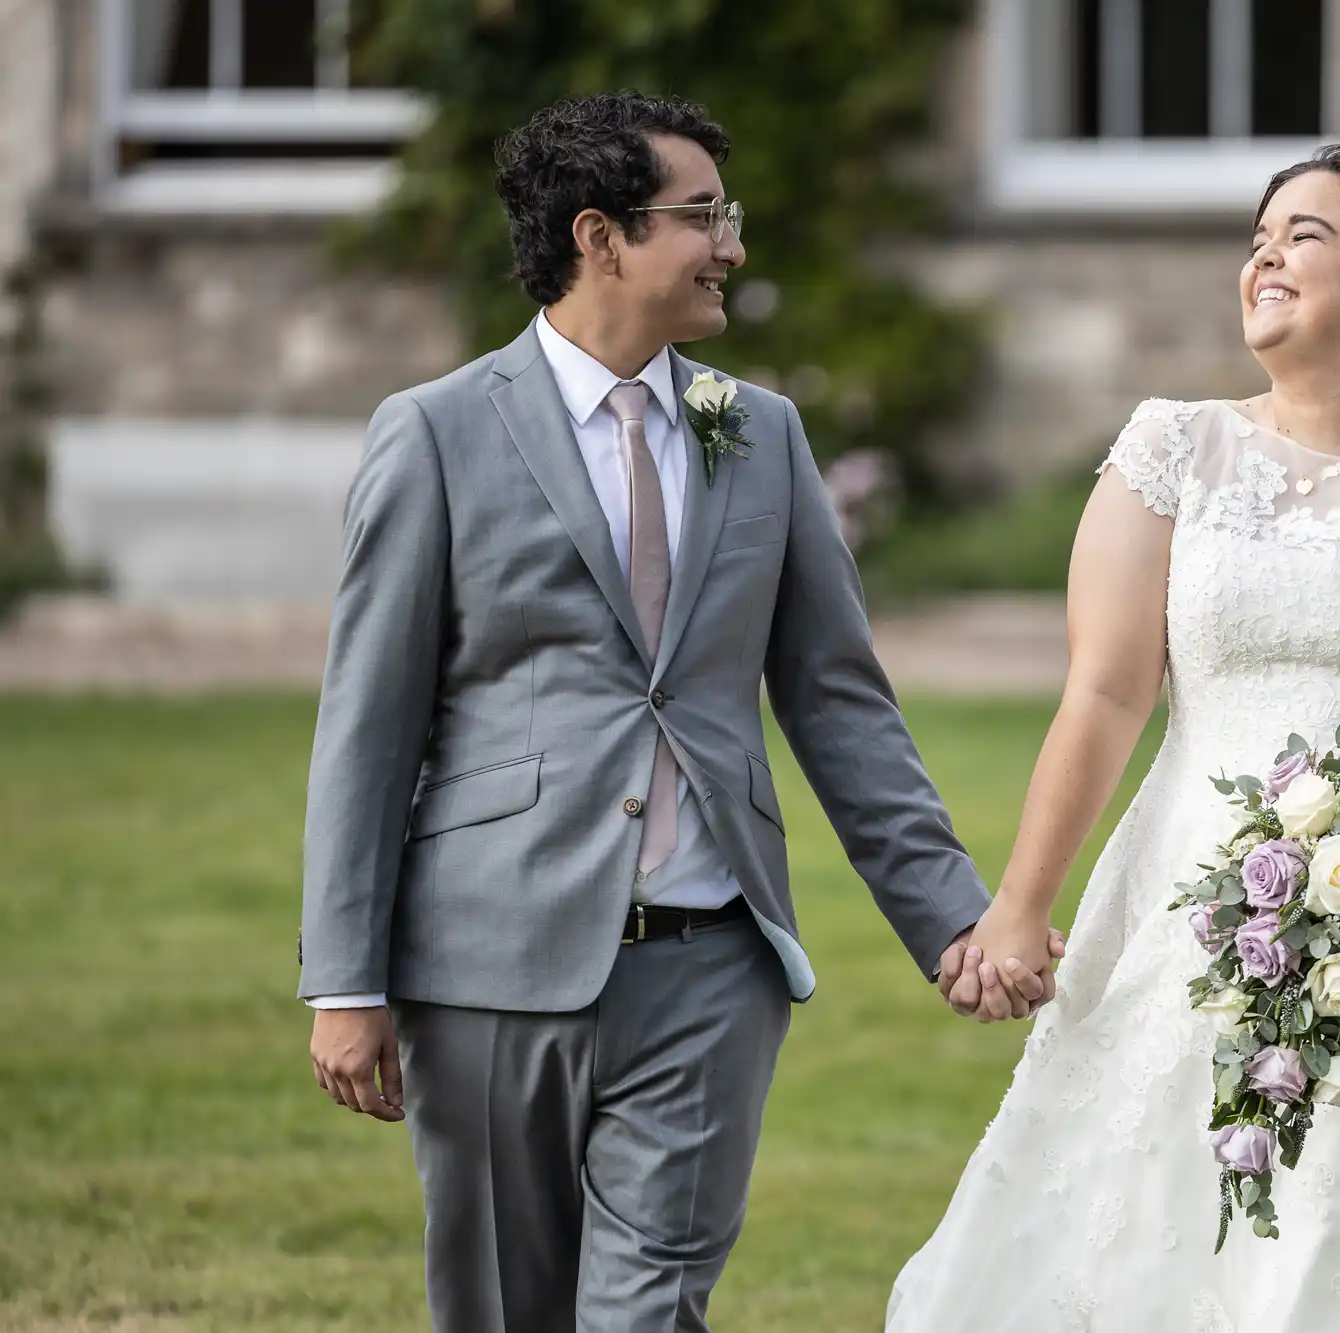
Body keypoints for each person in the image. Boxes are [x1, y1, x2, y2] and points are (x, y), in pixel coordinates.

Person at [296, 90, 1054, 1333]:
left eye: (728, 214)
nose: (731, 247)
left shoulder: (757, 432)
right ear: (598, 237)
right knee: (502, 1305)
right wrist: (346, 976)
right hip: (490, 963)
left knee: (645, 1309)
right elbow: (367, 725)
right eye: (701, 216)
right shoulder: (433, 433)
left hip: (712, 959)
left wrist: (954, 920)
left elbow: (839, 702)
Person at [899, 143, 1340, 1329]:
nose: (1264, 256)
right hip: (1185, 891)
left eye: (1305, 234)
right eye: (1256, 238)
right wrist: (1019, 905)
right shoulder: (1172, 451)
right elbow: (1103, 695)